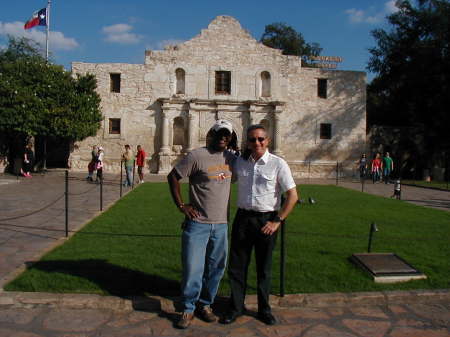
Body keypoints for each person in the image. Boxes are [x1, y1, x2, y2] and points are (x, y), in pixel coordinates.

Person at [223, 124, 298, 326]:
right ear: (246, 142)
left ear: (268, 141)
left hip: (267, 220)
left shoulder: (278, 164)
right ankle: (236, 307)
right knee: (237, 267)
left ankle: (264, 309)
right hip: (243, 219)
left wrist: (277, 221)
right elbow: (224, 179)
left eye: (260, 139)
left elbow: (292, 196)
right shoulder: (240, 163)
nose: (257, 143)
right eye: (252, 139)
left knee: (264, 268)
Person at [167, 119, 235, 329]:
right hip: (198, 223)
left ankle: (205, 304)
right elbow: (173, 176)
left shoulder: (232, 158)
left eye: (227, 135)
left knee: (216, 268)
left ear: (231, 138)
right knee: (193, 268)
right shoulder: (196, 155)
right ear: (211, 134)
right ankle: (187, 308)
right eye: (219, 133)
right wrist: (181, 206)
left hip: (221, 224)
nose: (223, 137)